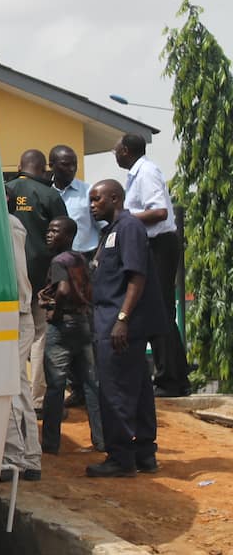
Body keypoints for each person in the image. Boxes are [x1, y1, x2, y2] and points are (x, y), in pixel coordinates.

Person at [86, 179, 168, 477]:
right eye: (90, 200)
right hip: (113, 321)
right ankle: (145, 455)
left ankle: (121, 458)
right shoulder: (110, 231)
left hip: (119, 326)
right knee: (141, 391)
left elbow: (137, 276)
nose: (92, 205)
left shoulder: (129, 228)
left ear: (115, 198)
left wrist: (122, 319)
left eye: (97, 199)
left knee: (115, 392)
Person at [114, 133, 190, 397]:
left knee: (160, 313)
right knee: (157, 312)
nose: (114, 154)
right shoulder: (137, 173)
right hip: (153, 245)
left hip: (160, 244)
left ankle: (172, 379)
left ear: (125, 150)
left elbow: (159, 212)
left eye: (116, 150)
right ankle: (172, 376)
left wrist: (124, 218)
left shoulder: (145, 172)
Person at [6, 150, 68, 411]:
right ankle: (37, 399)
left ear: (20, 166)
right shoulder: (51, 195)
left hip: (11, 278)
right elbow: (65, 230)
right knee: (39, 335)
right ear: (44, 170)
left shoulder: (5, 191)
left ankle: (11, 394)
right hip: (43, 278)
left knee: (12, 335)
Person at [38, 217, 103, 454]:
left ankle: (51, 443)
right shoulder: (80, 259)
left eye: (55, 231)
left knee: (55, 385)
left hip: (63, 325)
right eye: (48, 231)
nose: (49, 235)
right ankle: (100, 439)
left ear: (68, 236)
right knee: (90, 384)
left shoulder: (58, 261)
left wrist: (55, 314)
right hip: (83, 323)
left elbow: (63, 290)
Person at [2, 199, 42, 482]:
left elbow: (16, 277)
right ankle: (29, 456)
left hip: (14, 316)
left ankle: (18, 456)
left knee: (12, 386)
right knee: (19, 387)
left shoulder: (6, 224)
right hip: (13, 315)